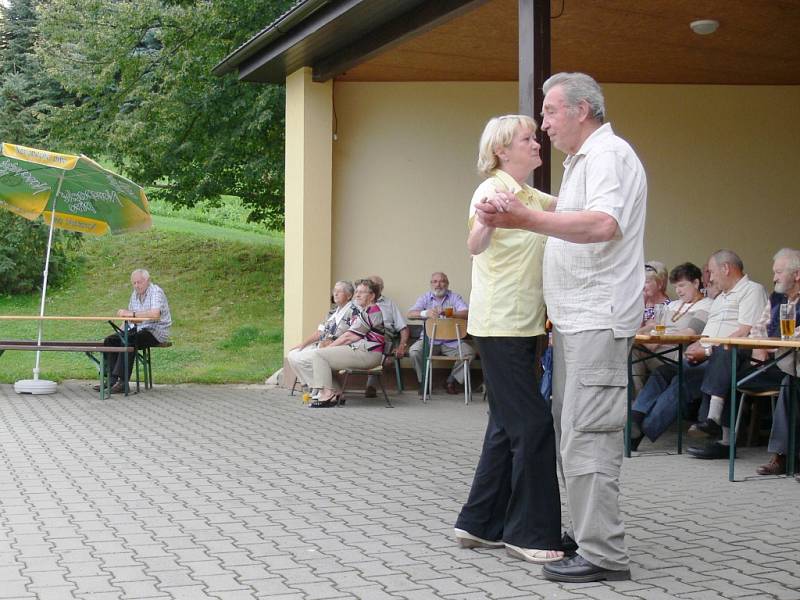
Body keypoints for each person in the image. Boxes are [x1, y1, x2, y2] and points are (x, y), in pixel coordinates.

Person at [476, 72, 646, 582]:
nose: (544, 123)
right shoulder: (582, 163)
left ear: (581, 110)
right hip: (575, 322)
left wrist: (525, 221)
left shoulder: (608, 156)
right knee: (574, 434)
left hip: (598, 318)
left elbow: (603, 225)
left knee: (588, 436)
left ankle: (604, 555)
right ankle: (589, 539)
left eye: (549, 112)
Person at [453, 115, 563, 565]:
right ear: (502, 150)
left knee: (504, 425)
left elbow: (574, 210)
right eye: (528, 139)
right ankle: (529, 534)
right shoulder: (491, 190)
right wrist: (485, 223)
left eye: (537, 137)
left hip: (521, 326)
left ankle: (478, 524)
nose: (537, 144)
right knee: (533, 426)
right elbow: (475, 244)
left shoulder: (533, 197)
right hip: (501, 325)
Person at [631, 250, 767, 451]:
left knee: (683, 379)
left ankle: (640, 430)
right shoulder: (721, 298)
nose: (709, 278)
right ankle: (636, 416)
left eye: (711, 272)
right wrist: (698, 344)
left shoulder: (751, 290)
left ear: (726, 268)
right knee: (663, 371)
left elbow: (745, 331)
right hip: (706, 355)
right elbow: (710, 330)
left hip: (731, 359)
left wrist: (706, 350)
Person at [689, 248, 800, 461]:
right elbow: (758, 329)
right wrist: (764, 346)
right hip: (770, 364)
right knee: (725, 358)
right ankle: (717, 431)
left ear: (796, 275)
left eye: (778, 272)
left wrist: (769, 345)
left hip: (789, 366)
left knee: (724, 365)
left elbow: (792, 337)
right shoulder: (777, 298)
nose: (773, 277)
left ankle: (720, 433)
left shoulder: (754, 290)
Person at [629, 262, 712, 423]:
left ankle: (638, 409)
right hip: (659, 350)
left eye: (682, 285)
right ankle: (637, 404)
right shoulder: (673, 305)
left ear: (696, 283)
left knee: (634, 348)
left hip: (678, 354)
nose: (678, 291)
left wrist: (656, 338)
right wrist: (640, 334)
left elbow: (689, 334)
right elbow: (653, 325)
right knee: (631, 351)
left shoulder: (706, 305)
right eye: (676, 287)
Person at [309, 279, 385, 408]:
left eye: (362, 292)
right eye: (357, 292)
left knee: (319, 355)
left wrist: (328, 348)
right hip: (363, 351)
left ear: (372, 296)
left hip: (369, 354)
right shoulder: (366, 311)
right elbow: (348, 335)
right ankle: (337, 393)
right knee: (323, 356)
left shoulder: (372, 311)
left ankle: (327, 394)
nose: (357, 295)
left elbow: (349, 337)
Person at [97, 269, 171, 394]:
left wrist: (132, 314)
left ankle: (122, 382)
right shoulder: (134, 294)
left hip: (156, 331)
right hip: (140, 330)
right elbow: (129, 320)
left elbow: (155, 314)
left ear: (147, 281)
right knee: (111, 340)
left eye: (139, 282)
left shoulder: (155, 292)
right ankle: (111, 380)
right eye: (134, 283)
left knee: (128, 340)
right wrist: (118, 332)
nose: (136, 286)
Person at [407, 272, 475, 395]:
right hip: (429, 340)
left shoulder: (454, 297)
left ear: (447, 284)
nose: (438, 284)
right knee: (414, 351)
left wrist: (448, 312)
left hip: (452, 342)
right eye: (435, 281)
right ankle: (424, 382)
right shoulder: (425, 297)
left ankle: (450, 381)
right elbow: (410, 314)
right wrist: (425, 313)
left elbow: (467, 314)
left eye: (442, 281)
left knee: (469, 352)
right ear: (431, 284)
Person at [287, 281, 357, 396]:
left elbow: (352, 335)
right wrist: (303, 344)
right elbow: (320, 332)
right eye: (334, 291)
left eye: (339, 291)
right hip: (322, 346)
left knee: (304, 359)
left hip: (337, 348)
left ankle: (326, 389)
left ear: (349, 296)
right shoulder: (333, 311)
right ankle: (314, 386)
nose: (335, 294)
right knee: (293, 354)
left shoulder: (353, 311)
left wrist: (331, 344)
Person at [366, 275, 409, 397]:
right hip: (363, 333)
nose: (372, 288)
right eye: (370, 285)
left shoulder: (389, 303)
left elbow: (403, 328)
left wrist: (402, 345)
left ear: (381, 288)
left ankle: (371, 386)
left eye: (376, 286)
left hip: (384, 335)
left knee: (376, 347)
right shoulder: (358, 302)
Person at [642, 260, 671, 325]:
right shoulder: (639, 304)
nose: (642, 286)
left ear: (660, 284)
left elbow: (651, 330)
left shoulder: (668, 307)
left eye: (646, 282)